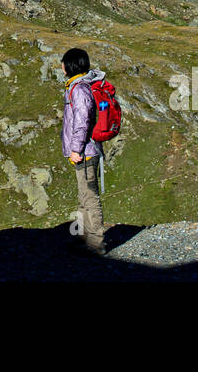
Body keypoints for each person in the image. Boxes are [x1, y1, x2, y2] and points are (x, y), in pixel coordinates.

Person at [61, 46, 107, 256]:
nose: (61, 66)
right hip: (85, 151)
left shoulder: (79, 89)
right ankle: (83, 238)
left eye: (63, 62)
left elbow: (82, 122)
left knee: (90, 197)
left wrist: (76, 149)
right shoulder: (76, 86)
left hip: (86, 151)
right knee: (83, 196)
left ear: (69, 65)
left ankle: (96, 244)